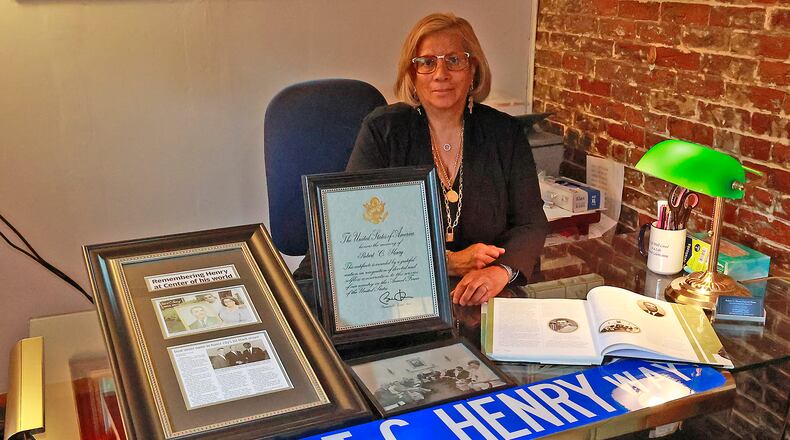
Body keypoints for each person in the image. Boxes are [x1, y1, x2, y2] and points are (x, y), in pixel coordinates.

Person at [294, 13, 548, 306]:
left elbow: (531, 223)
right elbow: (356, 231)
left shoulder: (505, 133)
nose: (441, 73)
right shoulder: (384, 130)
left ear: (473, 69)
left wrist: (500, 272)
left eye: (454, 60)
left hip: (482, 298)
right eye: (427, 62)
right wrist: (445, 262)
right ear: (412, 74)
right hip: (396, 295)